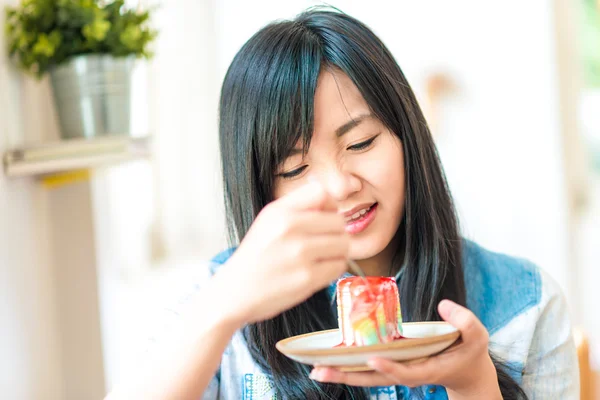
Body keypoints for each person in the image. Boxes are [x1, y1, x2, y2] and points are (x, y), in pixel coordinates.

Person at [106, 8, 579, 400]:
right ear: (259, 188)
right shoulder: (215, 308)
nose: (339, 187)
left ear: (406, 138)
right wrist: (222, 308)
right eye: (293, 169)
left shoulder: (527, 306)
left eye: (361, 143)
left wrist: (474, 383)